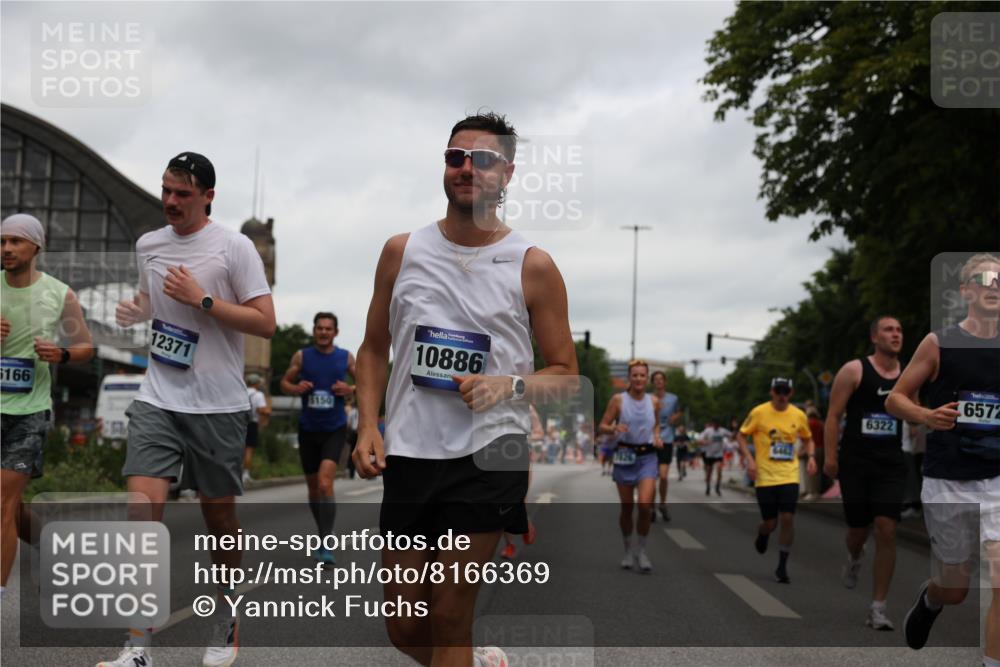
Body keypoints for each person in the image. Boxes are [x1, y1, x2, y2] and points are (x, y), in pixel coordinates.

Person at [352, 111, 577, 667]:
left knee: (451, 616)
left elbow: (567, 374)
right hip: (410, 453)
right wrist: (367, 426)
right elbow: (374, 348)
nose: (467, 169)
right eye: (456, 157)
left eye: (483, 160)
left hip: (487, 456)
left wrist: (508, 386)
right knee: (405, 626)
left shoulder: (533, 265)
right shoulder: (401, 252)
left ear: (507, 174)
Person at [102, 152, 275, 667]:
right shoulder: (148, 245)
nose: (171, 202)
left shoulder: (235, 247)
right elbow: (155, 302)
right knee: (140, 514)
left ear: (208, 197)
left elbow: (265, 323)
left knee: (219, 517)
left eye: (182, 193)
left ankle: (226, 622)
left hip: (218, 405)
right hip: (159, 396)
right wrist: (140, 309)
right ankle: (137, 649)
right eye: (166, 191)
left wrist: (203, 301)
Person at [886, 254, 1000, 664]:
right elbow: (897, 398)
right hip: (948, 477)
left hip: (996, 478)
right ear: (966, 290)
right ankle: (932, 600)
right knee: (956, 588)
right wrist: (927, 415)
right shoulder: (939, 343)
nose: (993, 285)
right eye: (984, 278)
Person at [1, 213, 94, 599]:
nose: (6, 249)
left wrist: (63, 353)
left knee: (2, 504)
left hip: (29, 412)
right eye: (2, 241)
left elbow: (87, 348)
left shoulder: (60, 293)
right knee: (11, 507)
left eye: (15, 242)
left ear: (35, 247)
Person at [823, 315, 906, 631]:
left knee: (886, 528)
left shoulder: (908, 373)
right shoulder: (854, 370)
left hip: (890, 464)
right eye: (888, 329)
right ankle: (855, 556)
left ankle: (878, 607)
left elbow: (912, 408)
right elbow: (833, 416)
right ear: (875, 337)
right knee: (858, 531)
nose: (895, 334)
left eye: (899, 330)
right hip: (856, 461)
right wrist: (831, 458)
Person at [280, 311, 355, 566]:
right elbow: (285, 383)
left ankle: (326, 541)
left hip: (334, 428)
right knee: (313, 488)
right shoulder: (302, 356)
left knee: (325, 484)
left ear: (335, 332)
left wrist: (351, 389)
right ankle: (322, 532)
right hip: (308, 429)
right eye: (319, 328)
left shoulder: (345, 357)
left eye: (328, 328)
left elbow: (365, 381)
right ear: (314, 331)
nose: (323, 332)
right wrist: (295, 387)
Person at [737, 377, 816, 584]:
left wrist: (812, 457)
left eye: (786, 391)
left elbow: (808, 439)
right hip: (764, 475)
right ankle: (763, 533)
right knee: (770, 523)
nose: (782, 395)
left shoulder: (798, 415)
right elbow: (741, 436)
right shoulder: (759, 412)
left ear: (791, 393)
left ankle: (782, 565)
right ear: (772, 391)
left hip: (789, 475)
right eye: (778, 391)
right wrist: (750, 460)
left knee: (788, 518)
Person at [598, 360, 663, 572]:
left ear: (647, 378)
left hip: (647, 457)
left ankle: (642, 551)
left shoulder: (654, 401)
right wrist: (614, 428)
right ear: (629, 378)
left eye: (642, 376)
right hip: (624, 455)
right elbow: (602, 426)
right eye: (634, 375)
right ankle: (627, 550)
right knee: (627, 508)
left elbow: (656, 425)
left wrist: (657, 436)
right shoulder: (618, 400)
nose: (638, 379)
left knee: (644, 506)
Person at [650, 370, 680, 521]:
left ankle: (662, 503)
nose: (659, 382)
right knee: (651, 477)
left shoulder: (673, 398)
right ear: (653, 382)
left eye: (661, 379)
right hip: (651, 440)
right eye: (656, 379)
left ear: (665, 382)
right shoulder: (648, 399)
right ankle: (652, 507)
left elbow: (678, 412)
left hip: (667, 439)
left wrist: (674, 418)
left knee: (663, 476)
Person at [242, 373, 270, 483]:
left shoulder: (241, 392)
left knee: (237, 449)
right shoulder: (258, 395)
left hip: (238, 423)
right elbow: (261, 410)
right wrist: (268, 412)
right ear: (257, 383)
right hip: (252, 423)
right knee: (248, 450)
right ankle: (245, 474)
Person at [699, 418, 730, 496]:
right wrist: (705, 442)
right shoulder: (708, 431)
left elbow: (732, 435)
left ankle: (717, 487)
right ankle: (708, 486)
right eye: (714, 425)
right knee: (709, 472)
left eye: (717, 425)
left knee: (719, 470)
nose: (716, 426)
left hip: (719, 454)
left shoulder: (722, 430)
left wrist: (734, 428)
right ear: (712, 424)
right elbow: (700, 440)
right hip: (709, 454)